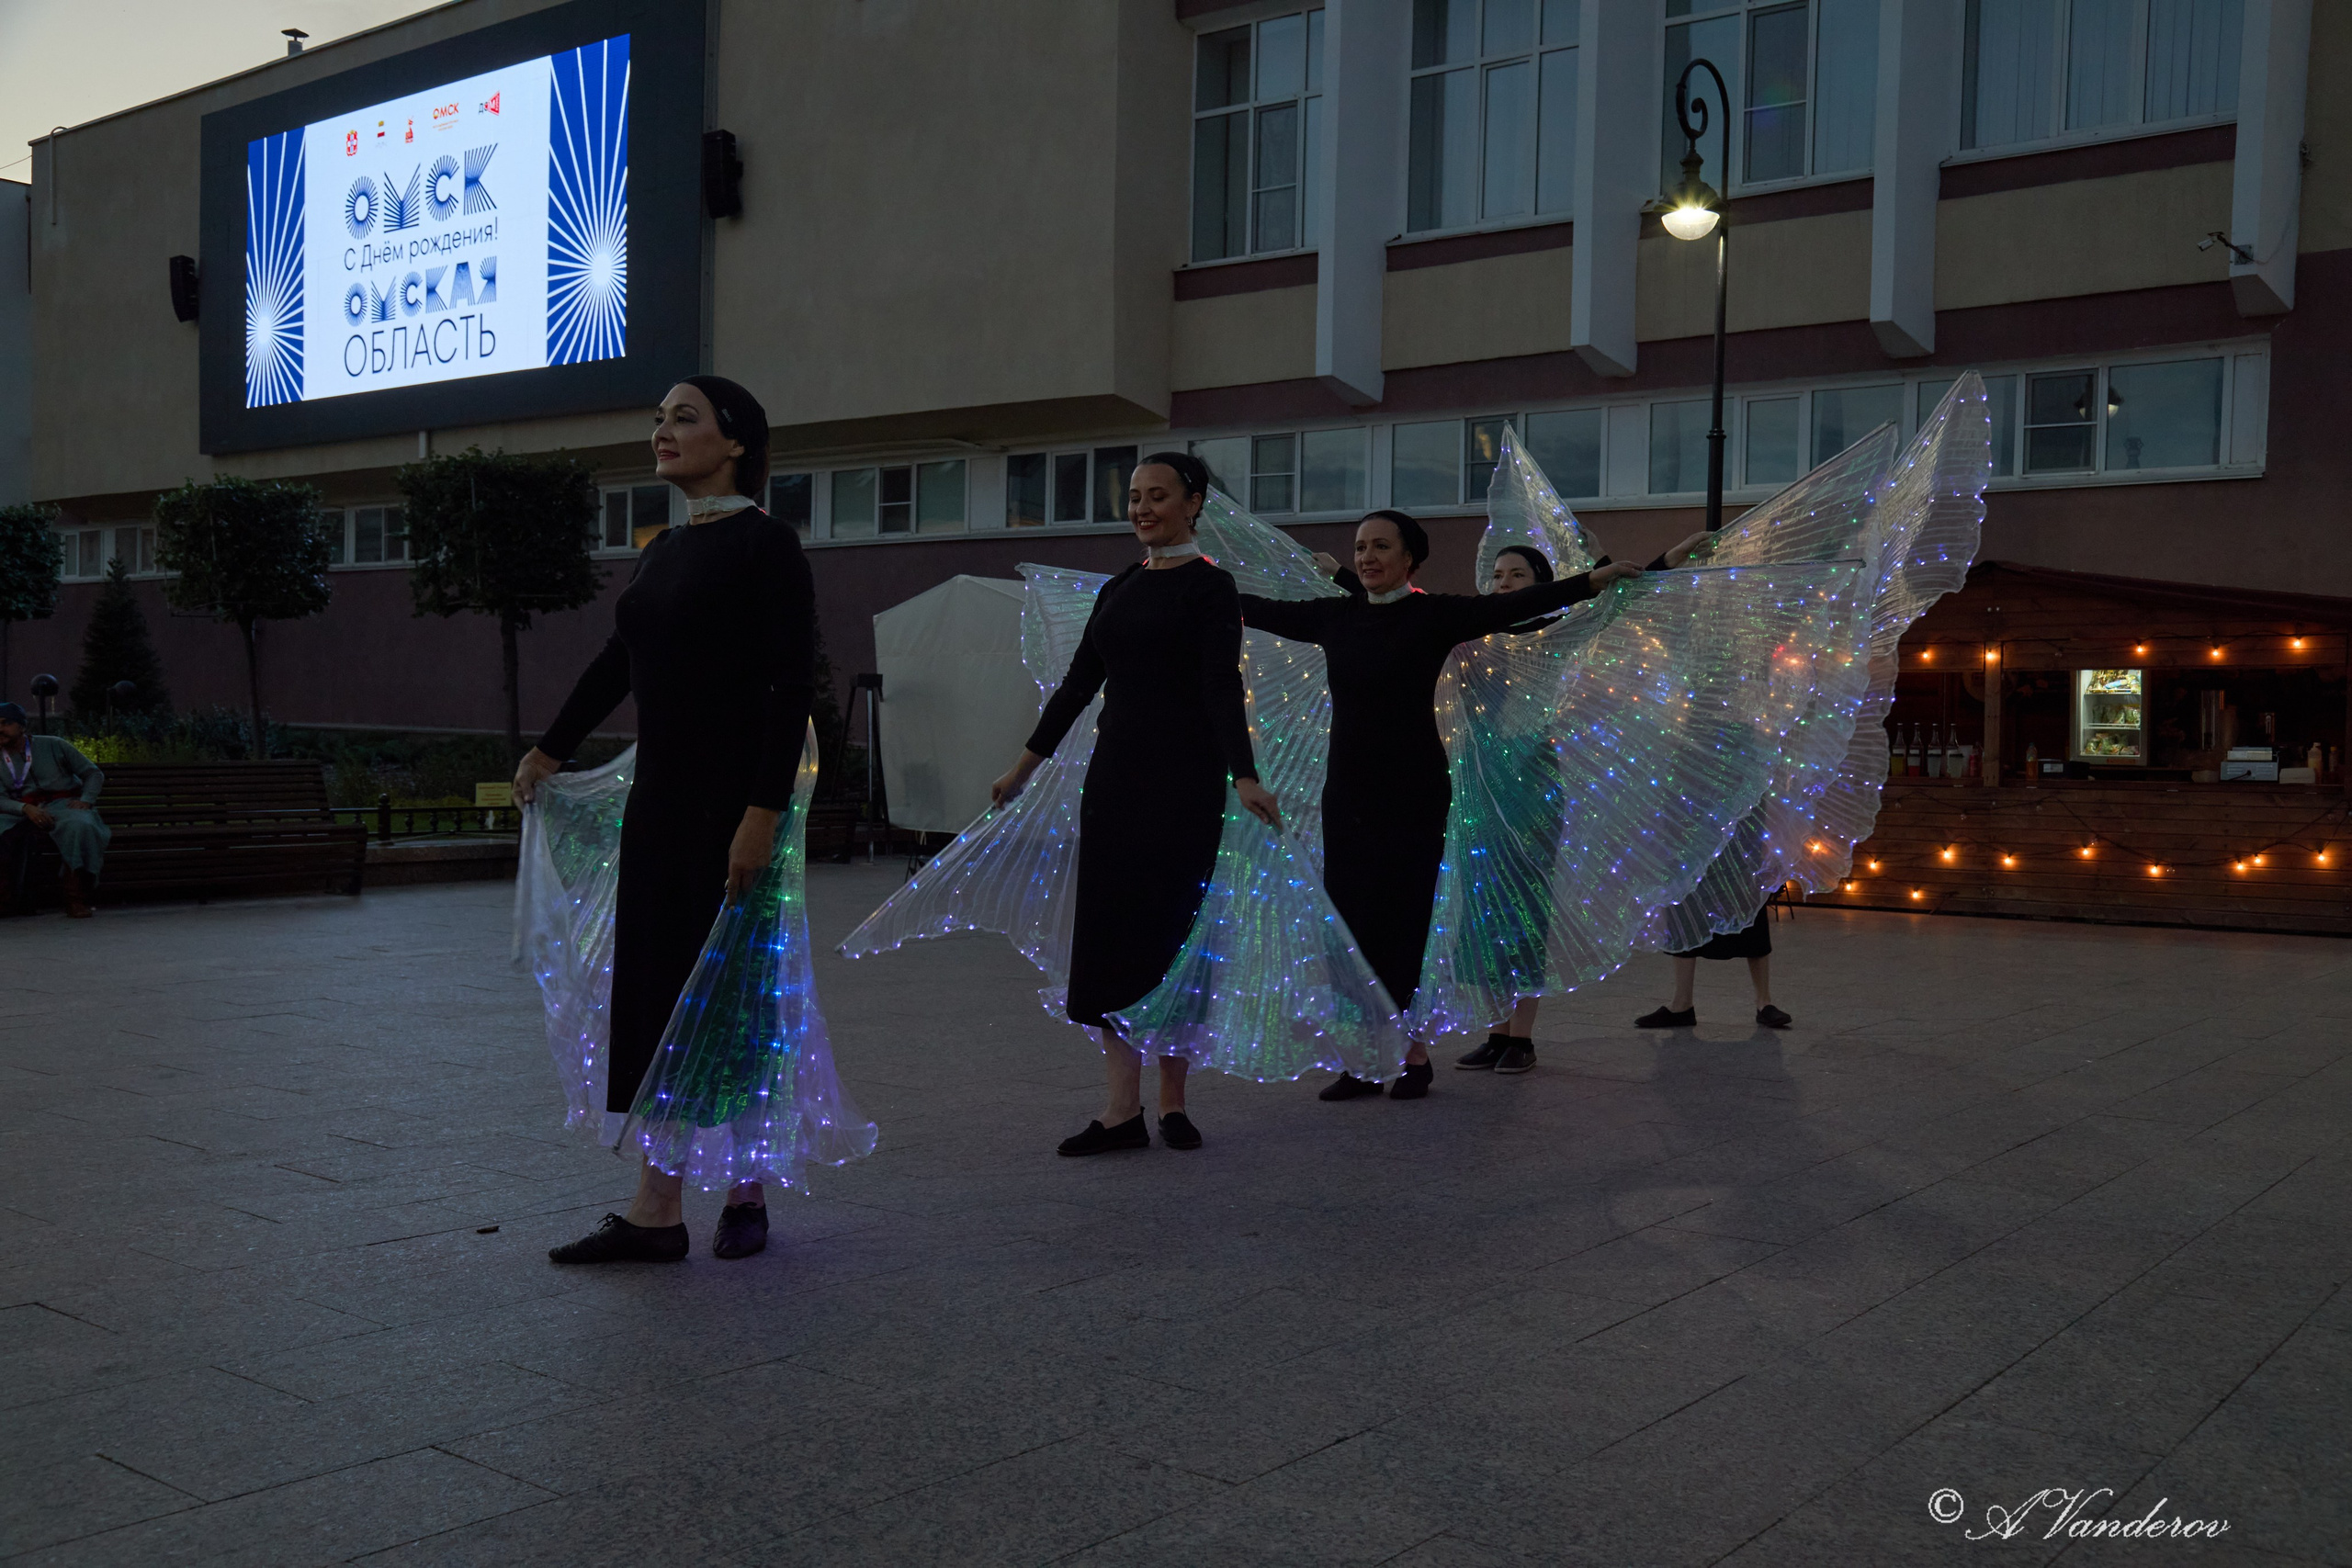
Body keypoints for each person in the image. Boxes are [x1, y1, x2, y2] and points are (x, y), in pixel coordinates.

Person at [514, 376, 827, 1265]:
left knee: (729, 998)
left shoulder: (769, 548)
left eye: (683, 417)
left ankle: (746, 1191)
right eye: (658, 418)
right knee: (654, 996)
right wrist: (551, 750)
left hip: (734, 812)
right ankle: (656, 1210)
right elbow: (620, 659)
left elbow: (786, 688)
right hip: (659, 810)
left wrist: (762, 812)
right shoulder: (660, 552)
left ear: (735, 442)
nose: (663, 430)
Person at [1238, 512, 1646, 1102]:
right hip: (1349, 793)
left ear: (1412, 559)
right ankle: (1363, 1057)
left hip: (1415, 793)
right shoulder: (1335, 615)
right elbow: (1252, 608)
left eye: (1382, 545)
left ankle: (1413, 1056)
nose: (1368, 555)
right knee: (1352, 925)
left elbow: (1512, 609)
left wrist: (1592, 581)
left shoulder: (1433, 616)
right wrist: (1184, 582)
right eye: (1360, 547)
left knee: (1406, 924)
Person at [990, 453, 1281, 1156]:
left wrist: (1244, 775)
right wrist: (1023, 765)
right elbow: (1077, 685)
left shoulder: (1212, 589)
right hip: (1116, 784)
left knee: (1174, 936)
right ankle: (1121, 1109)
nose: (1142, 508)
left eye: (1158, 496)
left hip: (1184, 786)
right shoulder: (1120, 587)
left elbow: (1220, 686)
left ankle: (1173, 1102)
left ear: (1194, 502)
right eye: (1134, 497)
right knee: (1112, 938)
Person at [1450, 534, 1714, 1074]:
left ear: (1542, 586)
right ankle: (1496, 1032)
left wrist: (1670, 557)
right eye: (1497, 576)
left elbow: (1618, 601)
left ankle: (1521, 1038)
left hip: (1530, 788)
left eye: (1517, 576)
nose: (1503, 584)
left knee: (1522, 909)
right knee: (1481, 912)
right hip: (1480, 788)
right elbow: (1399, 615)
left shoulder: (1553, 631)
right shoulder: (1473, 635)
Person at [0, 703, 110, 919]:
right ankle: (5, 900)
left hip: (62, 805)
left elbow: (93, 774)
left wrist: (86, 800)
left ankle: (74, 898)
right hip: (17, 808)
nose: (0, 729)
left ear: (22, 726)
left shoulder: (54, 745)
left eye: (6, 723)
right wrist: (24, 808)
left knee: (81, 826)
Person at [1635, 909, 1792, 1029]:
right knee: (1685, 921)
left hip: (1738, 870)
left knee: (1751, 917)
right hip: (1691, 868)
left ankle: (1764, 1003)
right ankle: (1681, 1005)